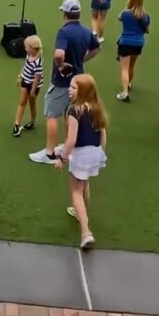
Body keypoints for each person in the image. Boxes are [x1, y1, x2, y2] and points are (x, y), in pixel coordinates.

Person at [29, 0, 101, 165]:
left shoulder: (64, 32)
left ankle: (49, 153)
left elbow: (59, 54)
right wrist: (82, 60)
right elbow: (96, 48)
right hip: (79, 80)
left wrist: (61, 65)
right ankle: (69, 146)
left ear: (65, 13)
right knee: (71, 113)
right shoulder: (85, 31)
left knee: (51, 114)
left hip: (62, 82)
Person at [54, 73, 107, 250]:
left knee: (76, 191)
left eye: (74, 87)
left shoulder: (74, 110)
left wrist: (62, 158)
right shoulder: (97, 107)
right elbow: (102, 134)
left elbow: (71, 140)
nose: (70, 89)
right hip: (95, 152)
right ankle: (81, 212)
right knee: (84, 182)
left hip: (81, 153)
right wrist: (100, 152)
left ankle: (86, 232)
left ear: (83, 91)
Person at [115, 0, 151, 102]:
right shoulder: (145, 16)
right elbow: (148, 30)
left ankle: (124, 92)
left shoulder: (125, 13)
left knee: (124, 68)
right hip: (138, 43)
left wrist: (127, 7)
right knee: (131, 66)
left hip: (125, 42)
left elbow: (119, 18)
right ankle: (129, 83)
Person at [12, 35, 43, 137]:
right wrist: (20, 76)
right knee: (22, 102)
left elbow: (36, 78)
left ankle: (33, 121)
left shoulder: (38, 63)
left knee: (32, 103)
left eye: (26, 47)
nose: (25, 49)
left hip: (34, 85)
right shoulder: (28, 55)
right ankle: (16, 124)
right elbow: (24, 67)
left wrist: (33, 91)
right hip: (25, 81)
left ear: (33, 48)